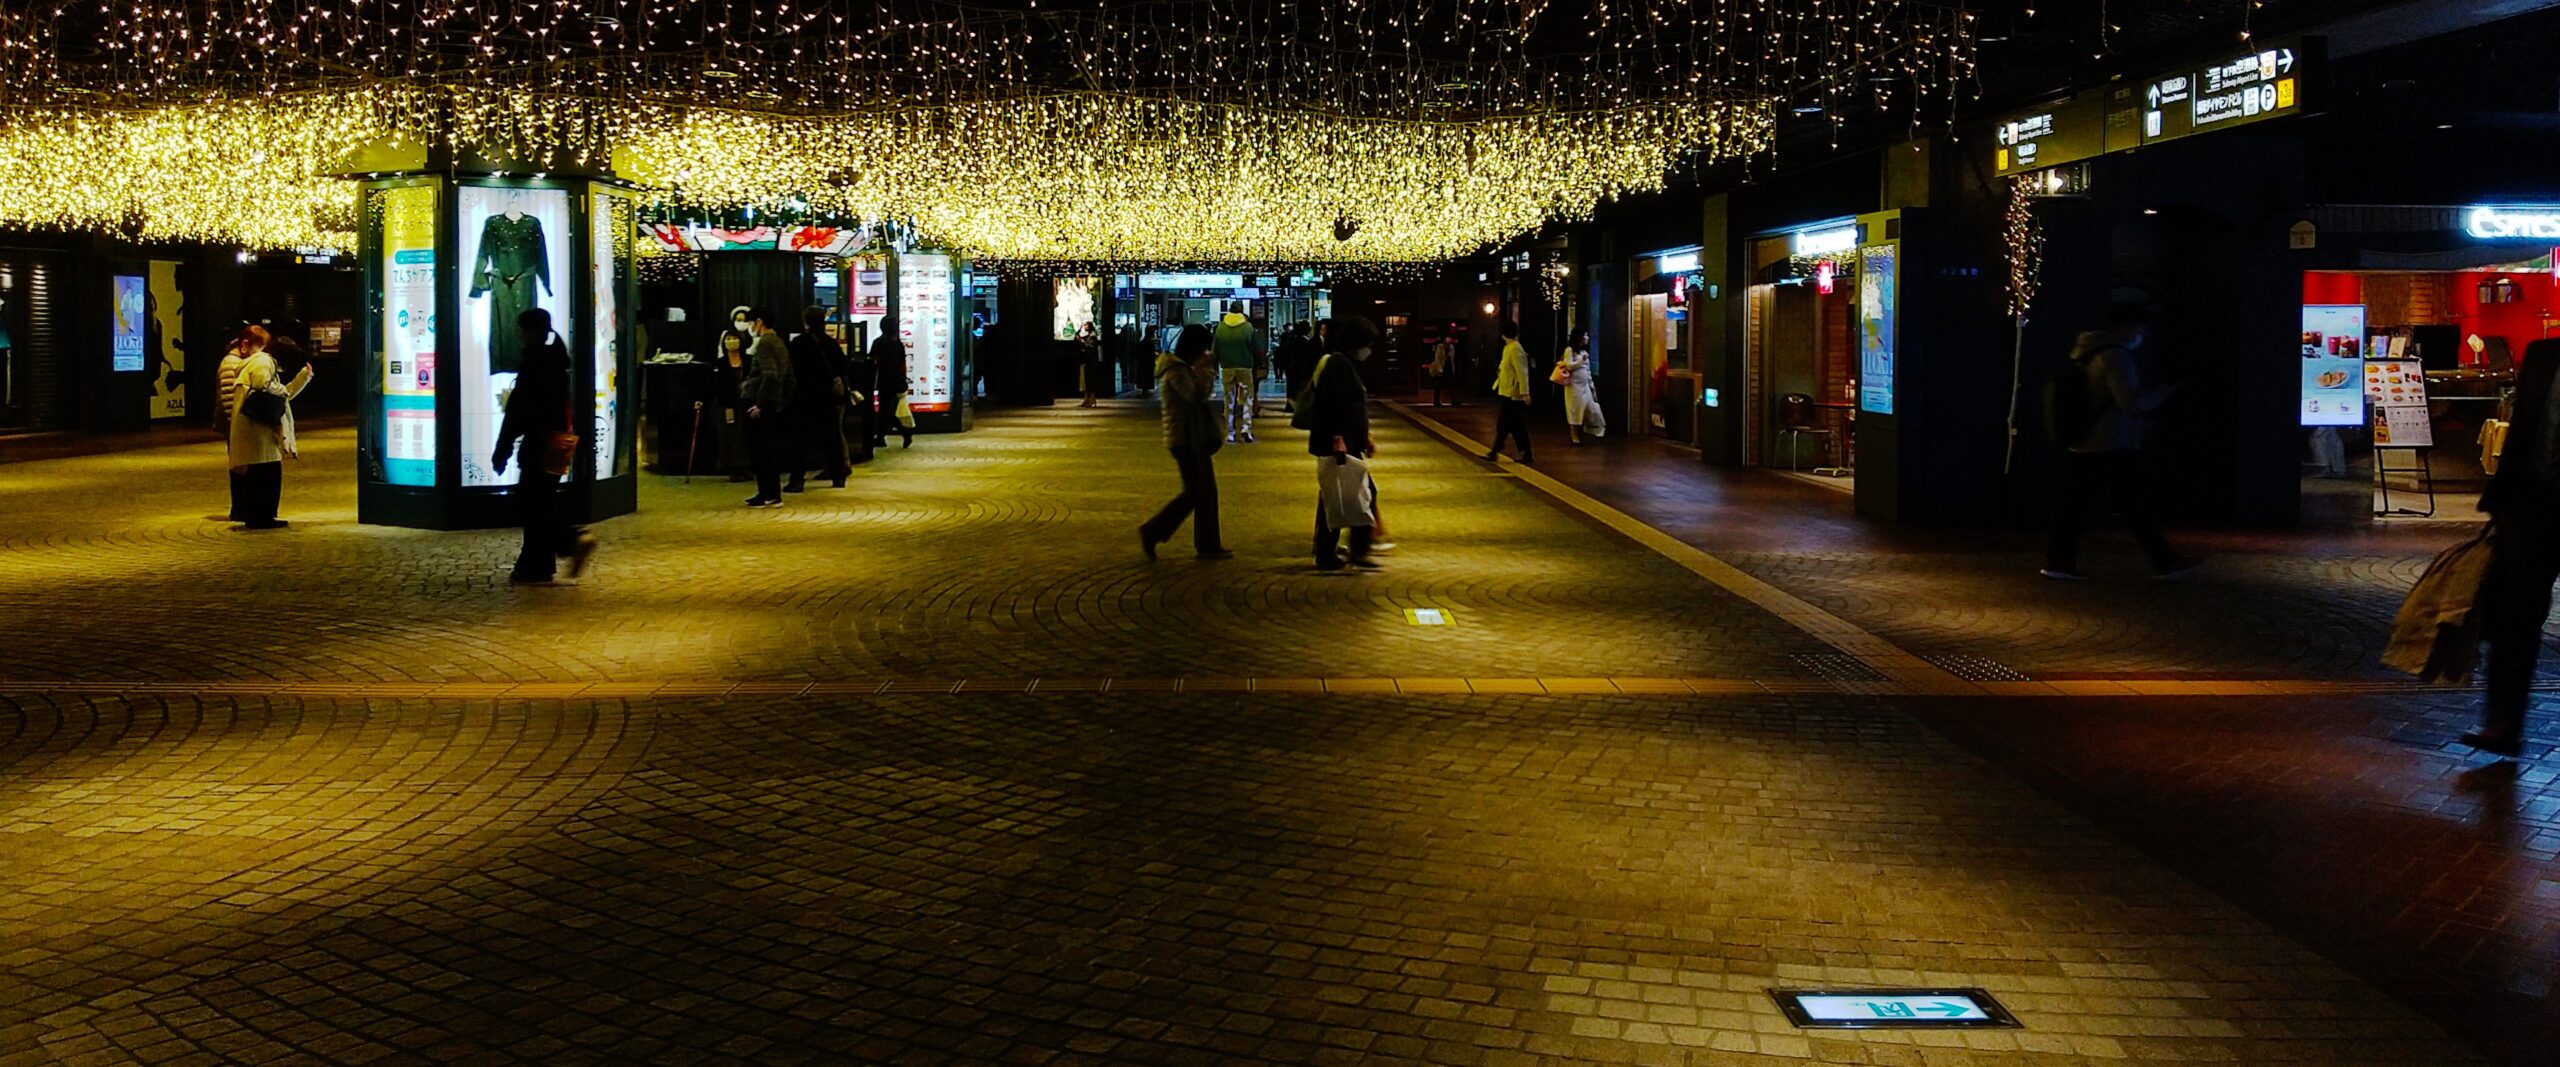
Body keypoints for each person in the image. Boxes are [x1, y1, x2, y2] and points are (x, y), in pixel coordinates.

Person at [2041, 291, 2200, 580]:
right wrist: (2164, 392)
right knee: (2136, 504)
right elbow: (2130, 401)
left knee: (2076, 506)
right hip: (2113, 442)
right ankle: (2164, 561)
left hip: (2086, 442)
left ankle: (2059, 562)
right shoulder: (2116, 356)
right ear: (2125, 326)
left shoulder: (2086, 352)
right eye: (2139, 327)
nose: (2141, 334)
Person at [2466, 338, 2560, 755]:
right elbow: (2523, 431)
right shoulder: (2542, 355)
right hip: (2532, 504)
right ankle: (2502, 723)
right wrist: (2502, 504)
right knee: (2514, 617)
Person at [492, 308, 596, 585]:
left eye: (521, 329)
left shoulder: (535, 363)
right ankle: (536, 565)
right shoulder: (556, 362)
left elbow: (519, 410)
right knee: (540, 501)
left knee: (531, 503)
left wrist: (502, 448)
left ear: (531, 331)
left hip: (539, 444)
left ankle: (570, 541)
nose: (518, 333)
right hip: (556, 442)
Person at [1138, 324, 1230, 561]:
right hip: (1183, 438)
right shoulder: (1176, 370)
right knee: (1196, 492)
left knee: (1205, 492)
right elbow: (1195, 396)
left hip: (1193, 436)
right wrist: (1205, 371)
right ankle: (1154, 530)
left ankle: (1207, 543)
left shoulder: (1181, 367)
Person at [1305, 315, 1382, 571]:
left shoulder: (1341, 363)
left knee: (1334, 495)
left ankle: (1329, 549)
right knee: (1360, 493)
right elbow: (1333, 405)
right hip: (1340, 444)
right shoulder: (1339, 365)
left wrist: (1365, 436)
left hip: (1346, 441)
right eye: (1367, 344)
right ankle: (1354, 551)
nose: (1369, 350)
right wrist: (1338, 438)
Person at [226, 326, 314, 529]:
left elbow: (282, 394)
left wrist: (302, 379)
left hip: (258, 430)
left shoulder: (262, 361)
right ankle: (260, 517)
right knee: (265, 475)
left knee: (265, 474)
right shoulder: (263, 362)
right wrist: (284, 388)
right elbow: (263, 384)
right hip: (258, 431)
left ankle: (261, 516)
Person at [786, 306, 850, 491]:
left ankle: (797, 479)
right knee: (831, 438)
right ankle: (838, 476)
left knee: (800, 441)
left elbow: (792, 370)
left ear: (805, 322)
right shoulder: (831, 343)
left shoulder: (798, 343)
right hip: (827, 397)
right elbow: (842, 368)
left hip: (804, 397)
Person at [740, 307, 797, 508]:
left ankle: (768, 493)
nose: (749, 327)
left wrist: (759, 404)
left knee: (759, 449)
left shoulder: (765, 343)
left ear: (759, 321)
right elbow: (790, 378)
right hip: (772, 403)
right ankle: (769, 493)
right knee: (766, 448)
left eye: (751, 322)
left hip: (759, 403)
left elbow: (769, 375)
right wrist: (781, 401)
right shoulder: (779, 342)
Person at [215, 325, 269, 521]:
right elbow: (230, 398)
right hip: (235, 425)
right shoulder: (231, 364)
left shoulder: (239, 361)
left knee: (241, 466)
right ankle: (240, 508)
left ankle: (243, 508)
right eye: (259, 347)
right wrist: (236, 426)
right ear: (246, 345)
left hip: (238, 425)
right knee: (239, 467)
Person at [1212, 301, 1264, 442]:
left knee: (1229, 400)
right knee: (1247, 398)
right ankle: (1246, 429)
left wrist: (1215, 366)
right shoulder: (1248, 327)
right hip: (1245, 367)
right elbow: (1256, 349)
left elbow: (1215, 350)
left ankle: (1230, 432)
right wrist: (1259, 364)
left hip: (1227, 367)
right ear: (1241, 312)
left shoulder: (1220, 327)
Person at [1485, 319, 1535, 464]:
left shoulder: (1515, 349)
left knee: (1508, 424)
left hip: (1513, 394)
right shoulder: (1509, 348)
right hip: (1507, 392)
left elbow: (1522, 372)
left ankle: (1497, 450)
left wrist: (1525, 392)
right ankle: (1502, 450)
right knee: (1513, 425)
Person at [870, 314, 914, 449]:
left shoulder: (878, 342)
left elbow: (872, 360)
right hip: (896, 380)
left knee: (886, 411)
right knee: (887, 410)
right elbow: (902, 364)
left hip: (884, 380)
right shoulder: (898, 344)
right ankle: (881, 437)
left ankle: (903, 431)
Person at [1557, 329, 1607, 444]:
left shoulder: (1584, 352)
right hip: (1574, 386)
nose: (1587, 338)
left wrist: (1592, 386)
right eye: (1585, 335)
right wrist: (1581, 361)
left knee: (1591, 409)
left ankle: (1592, 431)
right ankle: (1574, 436)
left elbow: (1588, 371)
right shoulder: (1569, 351)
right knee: (1574, 410)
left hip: (1585, 386)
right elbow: (1569, 366)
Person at [1075, 321, 1106, 408]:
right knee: (1087, 381)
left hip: (1090, 363)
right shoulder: (1090, 336)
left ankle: (1091, 399)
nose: (1084, 327)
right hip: (1090, 362)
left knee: (1090, 381)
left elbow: (1089, 348)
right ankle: (1088, 399)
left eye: (1086, 325)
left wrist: (1082, 343)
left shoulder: (1092, 337)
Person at [1426, 331, 1458, 407]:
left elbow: (1452, 359)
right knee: (1438, 385)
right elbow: (1438, 359)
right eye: (1448, 338)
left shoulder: (1451, 347)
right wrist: (1440, 369)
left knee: (1451, 385)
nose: (1449, 340)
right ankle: (1436, 401)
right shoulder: (1440, 347)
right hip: (1441, 368)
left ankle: (1454, 400)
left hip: (1448, 367)